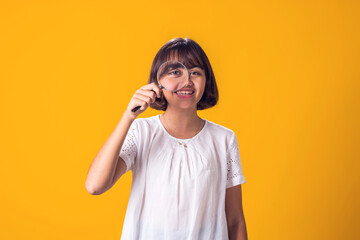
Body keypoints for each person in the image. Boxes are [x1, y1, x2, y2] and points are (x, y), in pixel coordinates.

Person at [85, 37, 248, 240]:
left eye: (195, 72)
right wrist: (128, 116)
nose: (187, 81)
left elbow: (234, 220)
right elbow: (95, 185)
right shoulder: (141, 132)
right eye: (175, 72)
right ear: (157, 82)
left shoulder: (224, 139)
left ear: (207, 80)